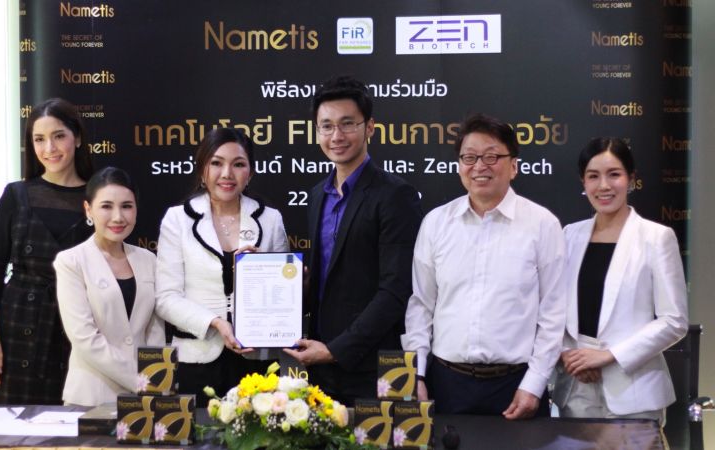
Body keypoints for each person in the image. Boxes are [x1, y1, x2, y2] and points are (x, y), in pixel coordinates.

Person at [402, 113, 565, 419]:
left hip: (516, 386)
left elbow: (553, 314)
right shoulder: (436, 223)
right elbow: (421, 306)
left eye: (491, 157)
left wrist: (534, 384)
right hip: (446, 384)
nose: (479, 166)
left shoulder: (543, 224)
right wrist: (417, 374)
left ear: (513, 166)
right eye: (469, 157)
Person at [283, 75, 423, 406]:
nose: (336, 136)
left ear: (369, 127)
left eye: (347, 124)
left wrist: (336, 350)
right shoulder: (318, 195)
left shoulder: (395, 195)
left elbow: (395, 290)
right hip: (319, 366)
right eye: (326, 126)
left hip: (372, 368)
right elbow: (329, 281)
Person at [553, 138, 688, 423]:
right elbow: (554, 308)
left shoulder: (656, 238)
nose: (603, 185)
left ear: (631, 179)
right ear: (583, 182)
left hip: (634, 391)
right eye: (593, 176)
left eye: (614, 174)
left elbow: (674, 320)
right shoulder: (569, 235)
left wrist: (609, 355)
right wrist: (570, 354)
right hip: (576, 387)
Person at [154, 127, 289, 406]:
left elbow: (284, 298)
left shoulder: (270, 219)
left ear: (250, 173)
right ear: (202, 169)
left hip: (257, 360)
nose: (227, 174)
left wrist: (282, 278)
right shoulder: (177, 220)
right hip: (197, 359)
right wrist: (216, 323)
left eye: (238, 164)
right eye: (216, 163)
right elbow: (166, 299)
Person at [0, 98, 94, 405]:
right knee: (9, 423)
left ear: (78, 138)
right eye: (39, 139)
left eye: (59, 136)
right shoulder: (16, 195)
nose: (49, 148)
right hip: (16, 327)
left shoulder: (98, 197)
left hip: (74, 325)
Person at [54, 167, 165, 406]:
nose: (118, 217)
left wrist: (157, 382)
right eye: (106, 206)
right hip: (91, 396)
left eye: (126, 206)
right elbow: (84, 338)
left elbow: (155, 330)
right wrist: (140, 381)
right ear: (88, 209)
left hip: (144, 400)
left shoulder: (148, 260)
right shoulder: (71, 261)